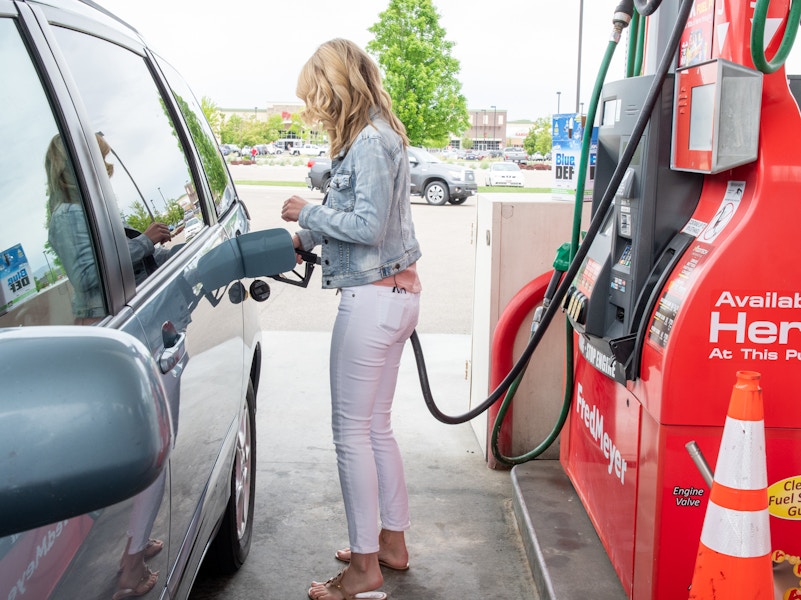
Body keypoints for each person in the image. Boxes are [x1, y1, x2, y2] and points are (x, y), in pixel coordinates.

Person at [281, 38, 422, 600]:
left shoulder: (368, 143)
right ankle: (391, 544)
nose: (313, 110)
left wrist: (304, 210)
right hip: (395, 298)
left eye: (315, 96)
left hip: (371, 302)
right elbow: (356, 216)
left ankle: (364, 573)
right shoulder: (371, 137)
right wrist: (302, 237)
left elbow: (365, 226)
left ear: (333, 86)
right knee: (376, 427)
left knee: (350, 435)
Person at [46, 133, 174, 323]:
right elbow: (86, 274)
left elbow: (129, 263)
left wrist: (173, 254)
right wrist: (145, 241)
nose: (107, 167)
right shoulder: (68, 215)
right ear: (80, 166)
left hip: (133, 314)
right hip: (118, 319)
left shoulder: (89, 210)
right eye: (100, 159)